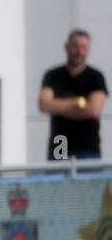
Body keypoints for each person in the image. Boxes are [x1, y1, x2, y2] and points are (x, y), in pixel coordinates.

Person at [40, 29, 106, 160]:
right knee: (58, 180)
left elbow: (93, 111)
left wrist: (59, 107)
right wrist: (77, 103)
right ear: (67, 46)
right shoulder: (53, 76)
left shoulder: (95, 77)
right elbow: (45, 105)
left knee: (89, 181)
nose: (79, 52)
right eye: (75, 46)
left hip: (88, 148)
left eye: (84, 47)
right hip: (60, 146)